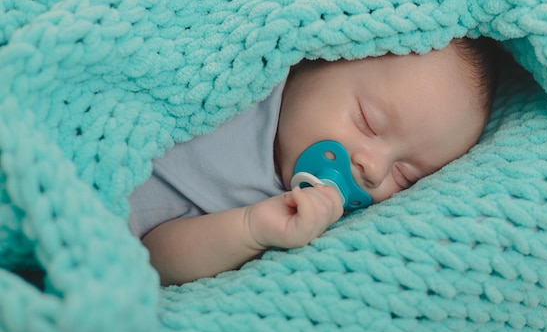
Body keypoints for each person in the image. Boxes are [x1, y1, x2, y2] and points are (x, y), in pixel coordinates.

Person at [129, 37, 500, 285]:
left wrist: (249, 229)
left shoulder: (294, 213)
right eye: (368, 122)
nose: (374, 169)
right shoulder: (239, 68)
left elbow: (154, 257)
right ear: (321, 55)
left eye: (405, 176)